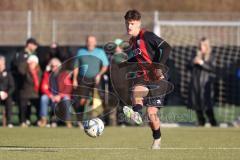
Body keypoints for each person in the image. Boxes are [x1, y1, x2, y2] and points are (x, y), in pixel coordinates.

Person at [121, 10, 172, 149]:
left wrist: (159, 67)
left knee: (151, 114)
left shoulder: (147, 36)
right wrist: (123, 62)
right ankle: (136, 113)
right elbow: (137, 57)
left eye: (132, 24)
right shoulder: (132, 41)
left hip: (158, 77)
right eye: (127, 23)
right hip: (144, 76)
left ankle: (157, 138)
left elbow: (166, 48)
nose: (129, 26)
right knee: (137, 92)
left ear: (138, 23)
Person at [73, 35, 109, 128]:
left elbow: (105, 66)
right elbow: (76, 67)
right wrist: (74, 80)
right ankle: (80, 121)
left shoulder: (100, 52)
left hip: (96, 79)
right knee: (82, 100)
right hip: (83, 79)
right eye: (89, 41)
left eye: (92, 41)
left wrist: (99, 74)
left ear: (95, 42)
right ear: (86, 42)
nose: (90, 43)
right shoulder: (80, 52)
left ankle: (100, 121)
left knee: (98, 100)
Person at [188, 37, 217, 127]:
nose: (201, 47)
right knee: (196, 103)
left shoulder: (211, 55)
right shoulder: (195, 54)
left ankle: (213, 122)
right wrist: (193, 62)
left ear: (207, 46)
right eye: (200, 45)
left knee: (207, 104)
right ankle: (201, 122)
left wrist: (202, 63)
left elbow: (212, 68)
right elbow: (188, 67)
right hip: (195, 83)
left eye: (203, 45)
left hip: (205, 84)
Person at [11, 38, 39, 125]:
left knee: (32, 100)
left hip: (30, 86)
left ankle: (29, 119)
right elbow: (20, 70)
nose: (36, 47)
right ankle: (23, 120)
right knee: (23, 101)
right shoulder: (21, 54)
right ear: (29, 44)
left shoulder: (33, 54)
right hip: (21, 84)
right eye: (34, 45)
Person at [39, 58, 72, 128]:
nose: (54, 68)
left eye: (55, 66)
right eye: (52, 66)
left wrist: (59, 96)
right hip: (51, 97)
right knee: (43, 98)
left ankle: (68, 121)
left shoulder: (64, 74)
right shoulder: (47, 74)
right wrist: (51, 96)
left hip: (61, 97)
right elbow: (43, 87)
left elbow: (68, 87)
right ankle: (43, 120)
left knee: (66, 98)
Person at [18, 55, 41, 127]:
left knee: (39, 104)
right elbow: (20, 69)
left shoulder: (39, 71)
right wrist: (26, 62)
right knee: (23, 104)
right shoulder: (25, 70)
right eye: (31, 63)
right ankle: (23, 121)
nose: (32, 64)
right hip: (25, 92)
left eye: (33, 63)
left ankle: (39, 120)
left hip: (35, 93)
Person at [0, 56, 15, 127]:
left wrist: (7, 94)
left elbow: (12, 86)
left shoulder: (8, 74)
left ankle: (9, 122)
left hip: (6, 95)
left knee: (9, 101)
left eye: (2, 64)